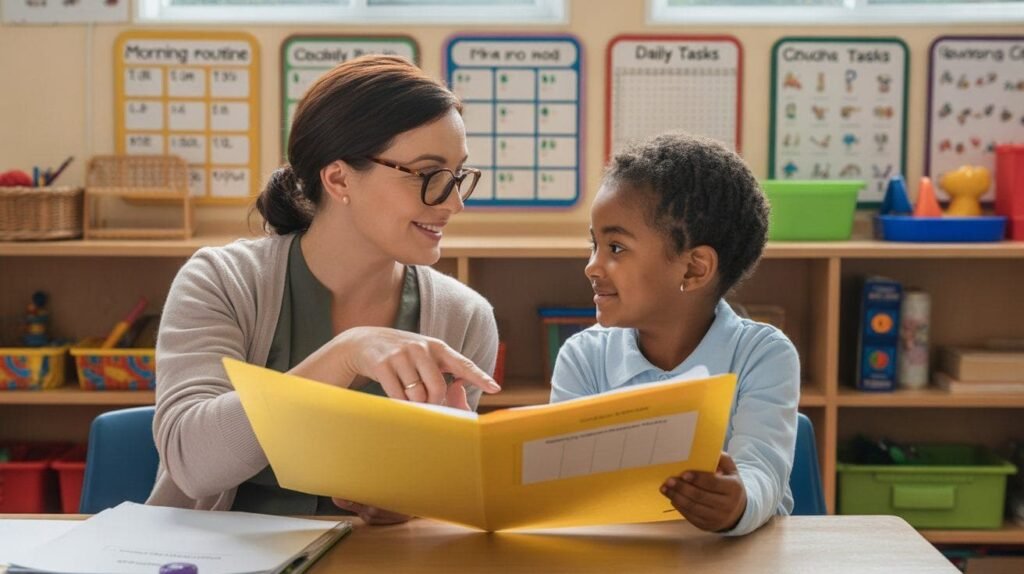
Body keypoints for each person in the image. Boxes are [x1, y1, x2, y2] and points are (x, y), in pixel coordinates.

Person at [148, 55, 501, 524]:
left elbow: (441, 501)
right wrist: (345, 354)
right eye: (428, 175)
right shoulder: (222, 281)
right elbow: (194, 464)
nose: (454, 202)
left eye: (458, 177)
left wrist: (412, 503)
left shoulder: (464, 316)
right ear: (338, 179)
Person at [550, 132, 799, 536]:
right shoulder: (583, 357)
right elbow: (565, 485)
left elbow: (762, 471)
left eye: (615, 248)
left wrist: (738, 502)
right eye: (593, 244)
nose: (592, 267)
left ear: (694, 268)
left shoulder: (762, 355)